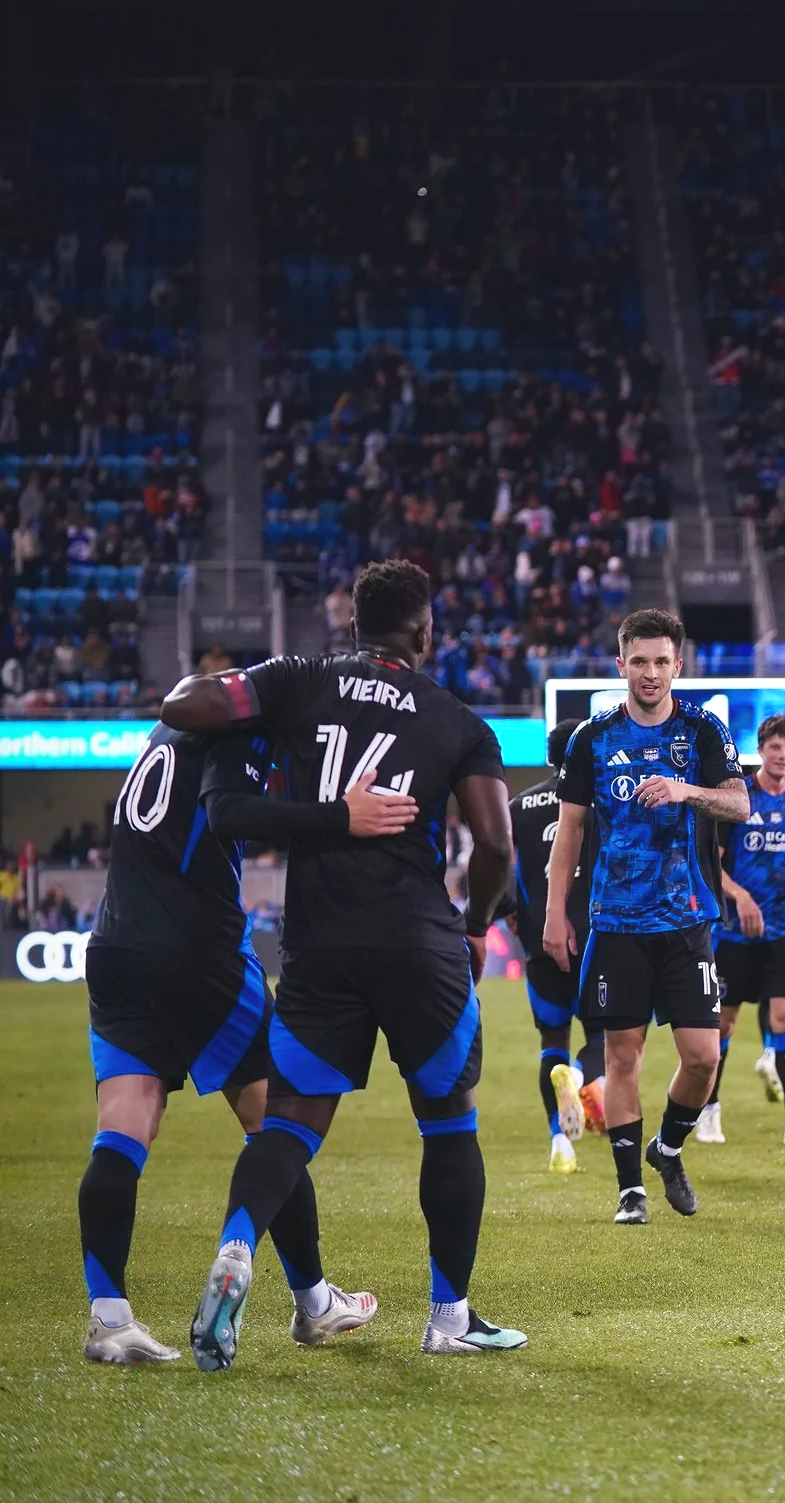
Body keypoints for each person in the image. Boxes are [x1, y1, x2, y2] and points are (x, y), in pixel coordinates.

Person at [160, 558, 523, 1364]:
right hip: (420, 945)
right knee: (449, 1125)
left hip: (319, 947)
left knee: (287, 1126)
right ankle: (450, 1319)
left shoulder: (299, 679)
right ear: (426, 633)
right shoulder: (459, 720)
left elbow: (185, 705)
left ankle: (236, 1246)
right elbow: (496, 845)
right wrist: (476, 923)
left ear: (352, 625)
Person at [74, 722, 400, 1363]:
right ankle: (314, 1302)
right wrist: (341, 815)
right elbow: (235, 812)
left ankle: (108, 1318)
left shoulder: (166, 733)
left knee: (122, 1131)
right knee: (278, 1122)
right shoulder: (233, 733)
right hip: (201, 955)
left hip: (116, 947)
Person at [540, 610, 747, 1226]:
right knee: (622, 1057)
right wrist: (555, 913)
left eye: (661, 661)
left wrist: (686, 791)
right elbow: (569, 833)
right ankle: (630, 1190)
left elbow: (739, 803)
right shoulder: (592, 738)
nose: (650, 672)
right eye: (639, 661)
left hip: (687, 920)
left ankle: (669, 1147)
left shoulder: (703, 730)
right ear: (621, 664)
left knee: (703, 1057)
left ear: (678, 665)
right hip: (616, 923)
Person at [706, 714, 785, 1147]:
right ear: (760, 750)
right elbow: (710, 864)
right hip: (734, 931)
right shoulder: (738, 797)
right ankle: (709, 1111)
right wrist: (740, 897)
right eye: (775, 747)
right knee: (723, 1023)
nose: (782, 755)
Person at [502, 720, 606, 1175]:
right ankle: (579, 1078)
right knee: (607, 1036)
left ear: (548, 758)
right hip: (595, 935)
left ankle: (560, 1143)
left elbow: (496, 862)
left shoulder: (517, 806)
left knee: (552, 1040)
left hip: (540, 938)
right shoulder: (599, 801)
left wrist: (508, 911)